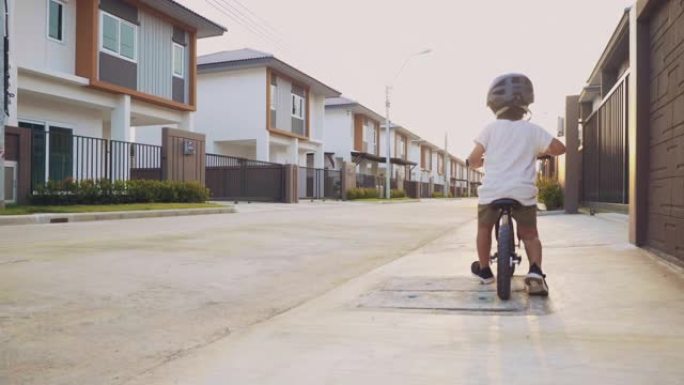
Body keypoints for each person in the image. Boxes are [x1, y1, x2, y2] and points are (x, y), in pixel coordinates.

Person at [467, 73, 566, 296]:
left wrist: (476, 163)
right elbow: (560, 148)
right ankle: (536, 271)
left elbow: (474, 159)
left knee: (483, 228)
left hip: (492, 192)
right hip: (523, 193)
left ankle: (484, 270)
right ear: (526, 104)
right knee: (530, 233)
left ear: (493, 104)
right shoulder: (533, 130)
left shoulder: (489, 129)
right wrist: (542, 151)